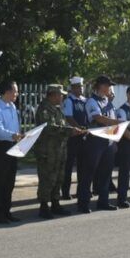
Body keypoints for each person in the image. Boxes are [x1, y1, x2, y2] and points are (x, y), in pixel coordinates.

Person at [35, 84, 85, 219]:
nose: (62, 96)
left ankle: (55, 203)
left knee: (58, 178)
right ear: (52, 95)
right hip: (48, 151)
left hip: (59, 150)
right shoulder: (44, 109)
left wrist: (74, 129)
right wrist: (70, 130)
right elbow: (49, 127)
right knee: (47, 178)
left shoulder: (57, 109)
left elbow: (63, 126)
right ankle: (44, 206)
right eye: (60, 94)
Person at [77, 76, 119, 213]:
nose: (110, 88)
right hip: (95, 141)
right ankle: (83, 203)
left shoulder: (107, 100)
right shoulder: (91, 101)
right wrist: (117, 122)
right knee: (88, 173)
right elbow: (98, 118)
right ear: (100, 86)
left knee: (106, 173)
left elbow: (113, 117)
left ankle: (103, 201)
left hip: (108, 140)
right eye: (108, 85)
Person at [0, 80, 24, 223]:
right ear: (7, 92)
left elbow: (14, 126)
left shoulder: (12, 106)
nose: (17, 94)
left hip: (12, 145)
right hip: (0, 147)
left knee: (10, 181)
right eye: (15, 91)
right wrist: (12, 135)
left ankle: (6, 211)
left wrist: (18, 136)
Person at [61, 76, 88, 200]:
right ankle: (65, 192)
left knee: (83, 166)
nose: (81, 89)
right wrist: (79, 128)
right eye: (78, 87)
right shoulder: (69, 101)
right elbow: (69, 117)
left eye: (82, 86)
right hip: (72, 137)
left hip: (83, 136)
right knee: (69, 165)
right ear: (72, 88)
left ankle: (81, 191)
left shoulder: (84, 100)